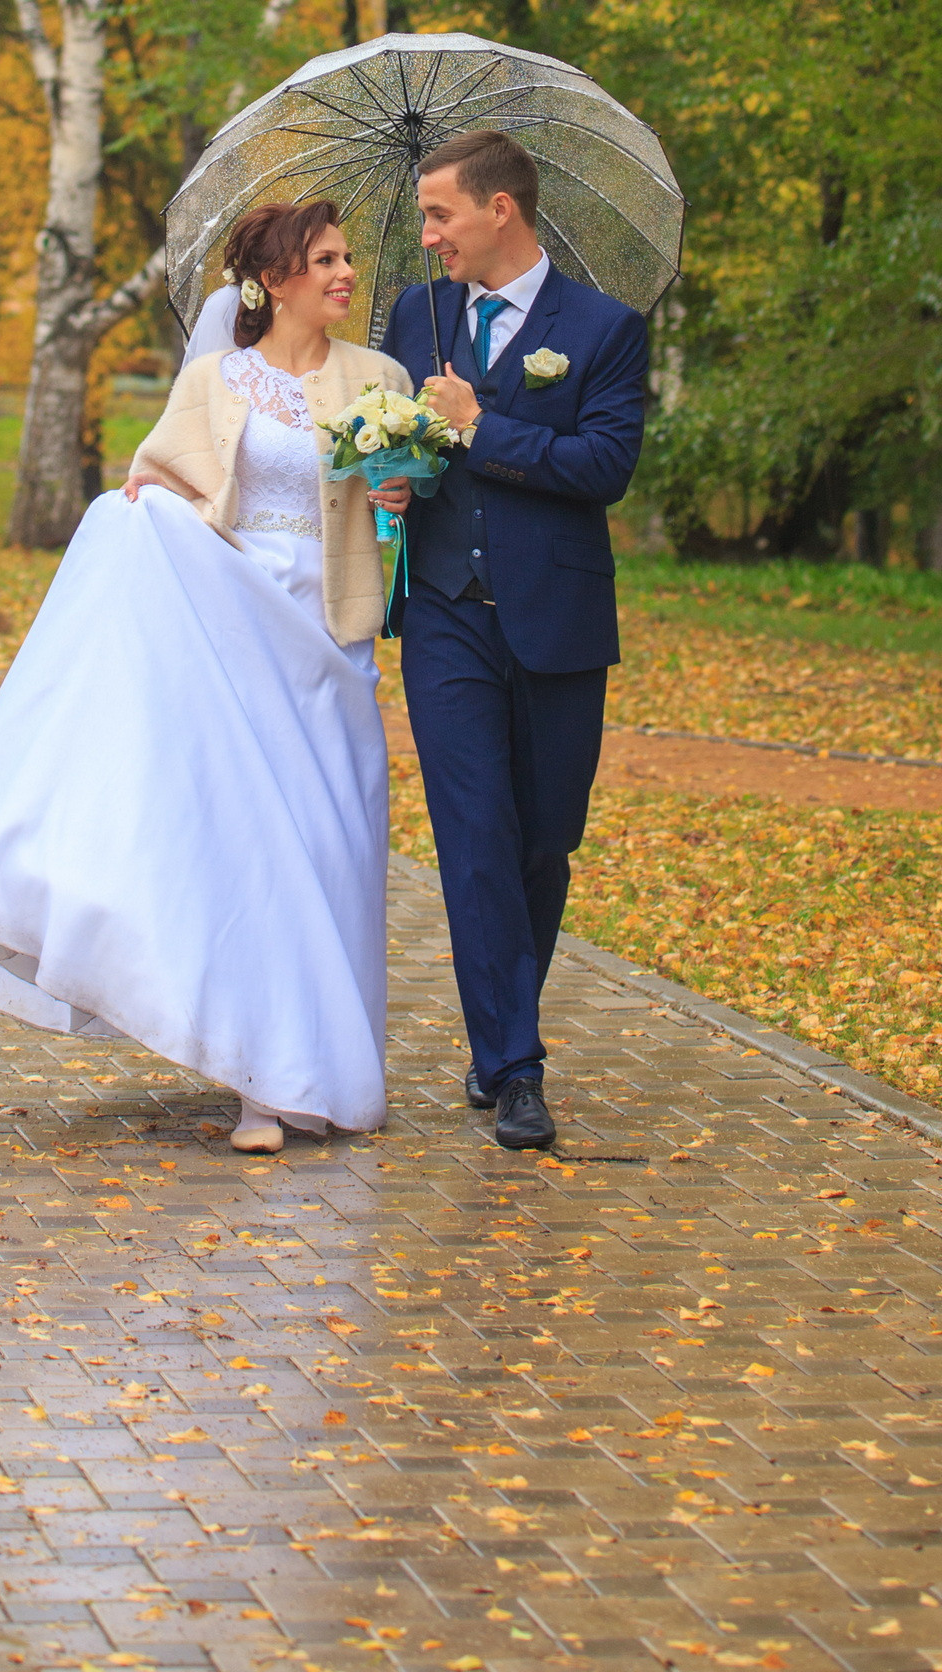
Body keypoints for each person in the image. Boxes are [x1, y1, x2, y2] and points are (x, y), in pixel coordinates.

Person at [0, 199, 413, 1155]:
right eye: (327, 260)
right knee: (254, 845)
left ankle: (327, 1054)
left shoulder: (378, 377)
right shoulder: (216, 380)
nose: (347, 274)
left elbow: (403, 496)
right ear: (273, 281)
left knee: (333, 840)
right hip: (229, 623)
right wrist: (142, 506)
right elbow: (158, 483)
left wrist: (401, 490)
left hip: (330, 633)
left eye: (348, 258)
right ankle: (268, 1082)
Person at [383, 129, 650, 1152]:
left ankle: (502, 1024)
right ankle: (514, 1065)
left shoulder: (603, 329)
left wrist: (477, 430)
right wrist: (397, 474)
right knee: (475, 841)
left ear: (501, 208)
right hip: (444, 614)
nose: (427, 235)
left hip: (556, 620)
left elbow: (602, 466)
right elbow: (399, 437)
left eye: (439, 213)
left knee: (543, 842)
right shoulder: (420, 314)